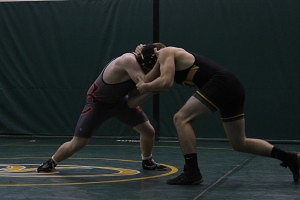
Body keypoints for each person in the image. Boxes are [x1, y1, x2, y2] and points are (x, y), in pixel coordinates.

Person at [133, 44, 300, 185]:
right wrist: (140, 55)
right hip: (232, 87)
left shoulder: (166, 52)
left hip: (222, 84)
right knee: (239, 143)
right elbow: (146, 80)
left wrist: (145, 86)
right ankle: (291, 158)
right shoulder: (162, 60)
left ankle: (192, 172)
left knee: (181, 118)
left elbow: (165, 83)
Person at [37, 43, 167, 172]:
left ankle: (147, 160)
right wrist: (157, 81)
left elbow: (132, 103)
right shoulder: (129, 60)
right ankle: (51, 162)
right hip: (98, 103)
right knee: (79, 142)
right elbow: (144, 83)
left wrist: (151, 91)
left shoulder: (143, 68)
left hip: (120, 102)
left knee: (148, 131)